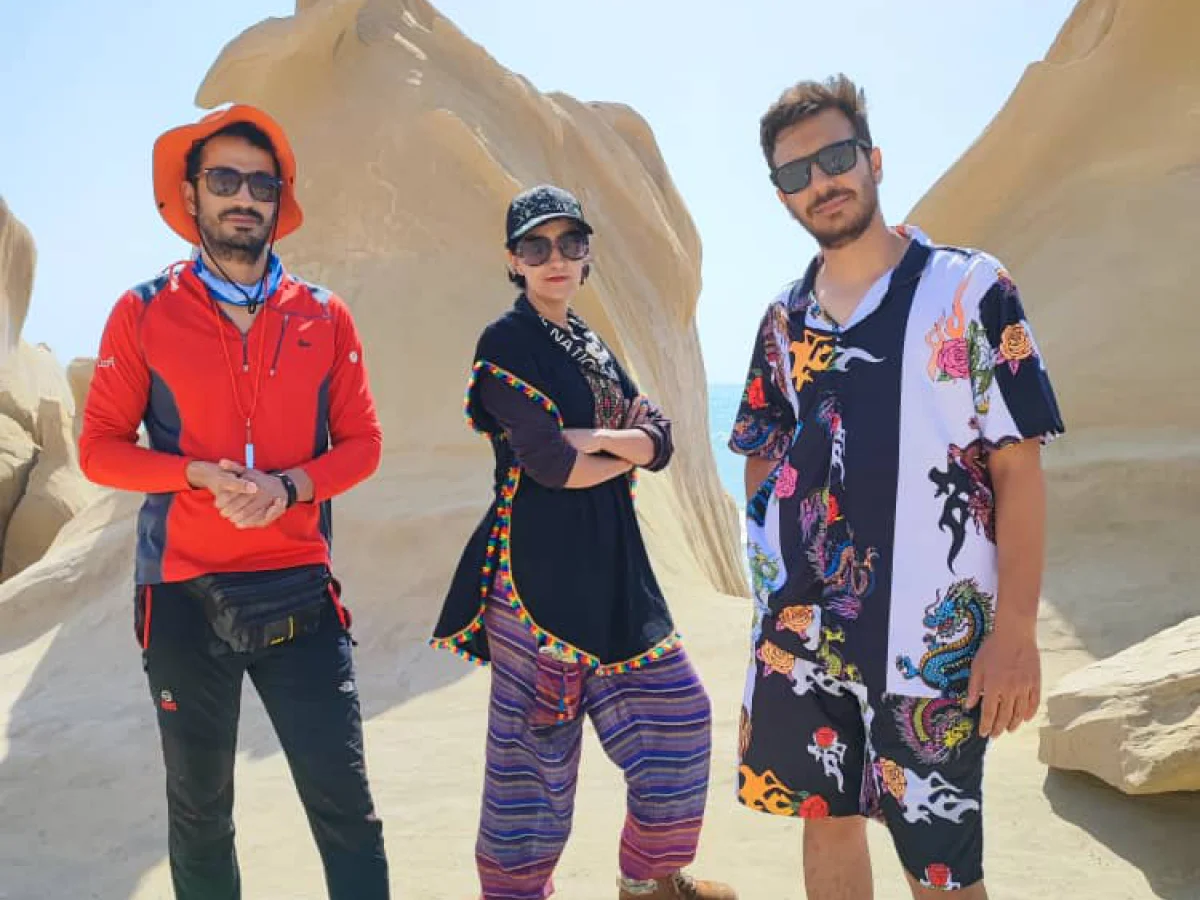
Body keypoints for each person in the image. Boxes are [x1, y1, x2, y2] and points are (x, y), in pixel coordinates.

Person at [729, 75, 1065, 899]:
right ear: (781, 195)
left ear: (873, 160)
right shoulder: (783, 319)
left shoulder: (970, 289)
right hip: (801, 634)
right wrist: (773, 565)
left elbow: (1018, 466)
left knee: (940, 865)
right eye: (796, 173)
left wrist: (1016, 631)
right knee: (825, 821)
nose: (821, 182)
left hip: (931, 643)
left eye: (836, 157)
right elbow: (761, 446)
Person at [79, 103, 389, 900]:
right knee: (201, 817)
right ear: (191, 195)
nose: (243, 197)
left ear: (280, 199)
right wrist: (194, 475)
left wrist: (290, 487)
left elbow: (363, 444)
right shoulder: (143, 310)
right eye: (224, 179)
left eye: (261, 183)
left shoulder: (324, 315)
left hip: (300, 593)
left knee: (347, 812)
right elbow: (99, 448)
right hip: (182, 596)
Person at [432, 185, 736, 900]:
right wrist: (620, 452)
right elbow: (550, 466)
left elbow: (660, 440)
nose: (555, 258)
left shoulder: (589, 342)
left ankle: (649, 881)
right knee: (533, 762)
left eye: (570, 243)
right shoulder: (506, 343)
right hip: (537, 581)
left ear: (587, 253)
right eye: (536, 246)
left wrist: (599, 437)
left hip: (616, 572)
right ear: (514, 260)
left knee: (678, 719)